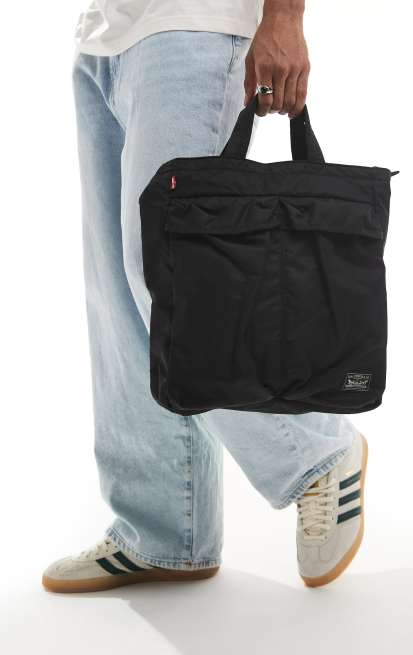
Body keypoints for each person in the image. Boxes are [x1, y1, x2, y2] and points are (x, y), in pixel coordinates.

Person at [42, 0, 367, 593]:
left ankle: (314, 453)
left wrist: (285, 18)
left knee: (172, 276)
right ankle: (164, 530)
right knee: (118, 298)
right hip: (104, 37)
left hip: (194, 24)